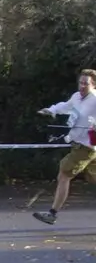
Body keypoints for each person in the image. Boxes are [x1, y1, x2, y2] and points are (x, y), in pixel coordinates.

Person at [32, 69, 96, 225]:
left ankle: (52, 213)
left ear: (93, 85)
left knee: (64, 174)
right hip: (77, 144)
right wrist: (51, 110)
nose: (82, 86)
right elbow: (66, 106)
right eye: (80, 82)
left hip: (87, 147)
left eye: (85, 84)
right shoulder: (76, 97)